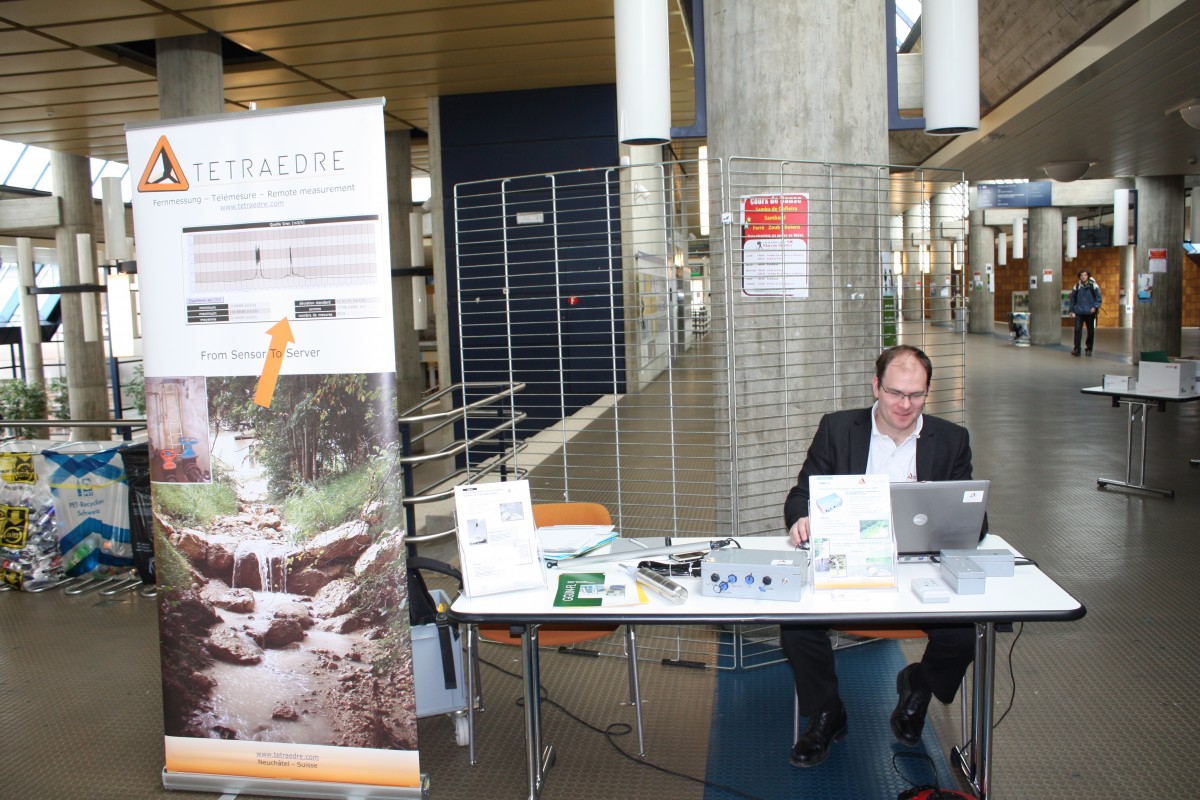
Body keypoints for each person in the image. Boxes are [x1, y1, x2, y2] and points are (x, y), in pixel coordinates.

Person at [781, 345, 981, 768]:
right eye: (895, 393)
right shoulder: (838, 429)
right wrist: (801, 518)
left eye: (916, 394)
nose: (905, 405)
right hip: (849, 562)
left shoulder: (951, 439)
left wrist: (963, 521)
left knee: (964, 633)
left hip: (920, 567)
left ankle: (918, 686)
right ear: (876, 386)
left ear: (927, 392)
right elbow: (801, 493)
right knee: (796, 625)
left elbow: (973, 519)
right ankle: (827, 712)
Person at [1069, 270, 1102, 356]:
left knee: (1090, 331)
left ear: (1088, 276)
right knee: (1077, 330)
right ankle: (1077, 349)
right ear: (1079, 277)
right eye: (1081, 275)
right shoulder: (1077, 286)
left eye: (1085, 275)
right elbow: (1073, 299)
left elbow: (1098, 298)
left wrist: (1095, 307)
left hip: (1090, 312)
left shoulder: (1093, 286)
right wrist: (1071, 310)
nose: (1083, 277)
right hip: (1079, 312)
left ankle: (1089, 349)